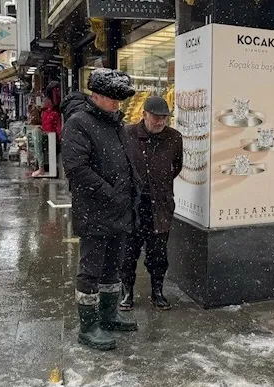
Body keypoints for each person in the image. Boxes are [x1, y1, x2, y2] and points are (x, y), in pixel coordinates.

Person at [61, 68, 139, 351]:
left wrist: (131, 191)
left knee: (112, 267)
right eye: (112, 98)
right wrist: (108, 193)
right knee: (90, 269)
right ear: (96, 95)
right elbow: (75, 167)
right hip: (94, 210)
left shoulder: (115, 122)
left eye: (120, 99)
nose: (117, 104)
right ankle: (89, 325)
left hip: (119, 209)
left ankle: (108, 315)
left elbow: (124, 161)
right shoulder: (79, 123)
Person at [119, 96, 182, 311]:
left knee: (158, 253)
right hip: (132, 205)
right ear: (144, 114)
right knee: (128, 251)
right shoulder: (127, 135)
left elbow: (176, 166)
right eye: (156, 117)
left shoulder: (174, 138)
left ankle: (157, 291)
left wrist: (159, 185)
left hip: (160, 205)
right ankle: (126, 291)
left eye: (164, 118)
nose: (160, 122)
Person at [32, 85, 62, 177]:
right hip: (48, 136)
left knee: (36, 136)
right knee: (36, 134)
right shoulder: (44, 112)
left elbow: (57, 127)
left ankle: (41, 167)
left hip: (52, 137)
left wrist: (59, 138)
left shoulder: (53, 113)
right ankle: (41, 166)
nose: (43, 102)